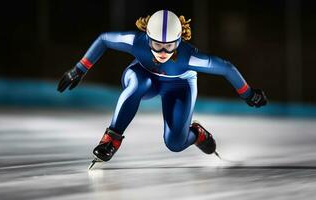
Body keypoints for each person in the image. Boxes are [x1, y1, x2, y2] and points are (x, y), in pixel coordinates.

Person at [57, 10, 267, 166]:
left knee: (175, 144)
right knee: (137, 84)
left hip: (179, 85)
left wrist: (248, 94)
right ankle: (111, 139)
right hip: (143, 76)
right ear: (147, 38)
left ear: (179, 40)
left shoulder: (188, 56)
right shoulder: (136, 42)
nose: (163, 52)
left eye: (170, 46)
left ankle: (196, 134)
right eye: (157, 45)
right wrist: (79, 69)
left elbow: (226, 68)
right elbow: (103, 40)